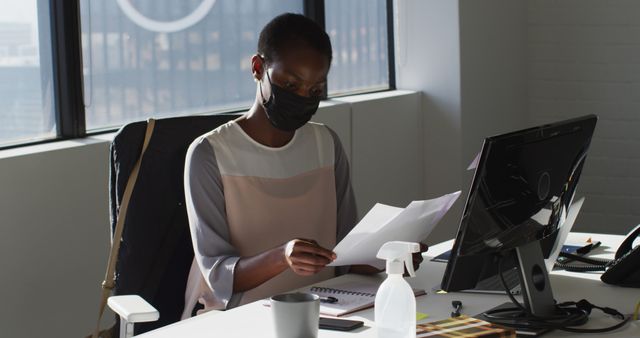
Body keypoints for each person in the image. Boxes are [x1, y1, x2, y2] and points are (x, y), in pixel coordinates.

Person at [181, 13, 425, 318]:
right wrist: (283, 257)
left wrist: (391, 256)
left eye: (314, 90)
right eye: (290, 84)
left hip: (326, 310)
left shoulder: (326, 144)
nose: (302, 98)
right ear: (258, 68)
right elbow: (218, 277)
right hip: (242, 316)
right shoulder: (209, 154)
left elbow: (344, 252)